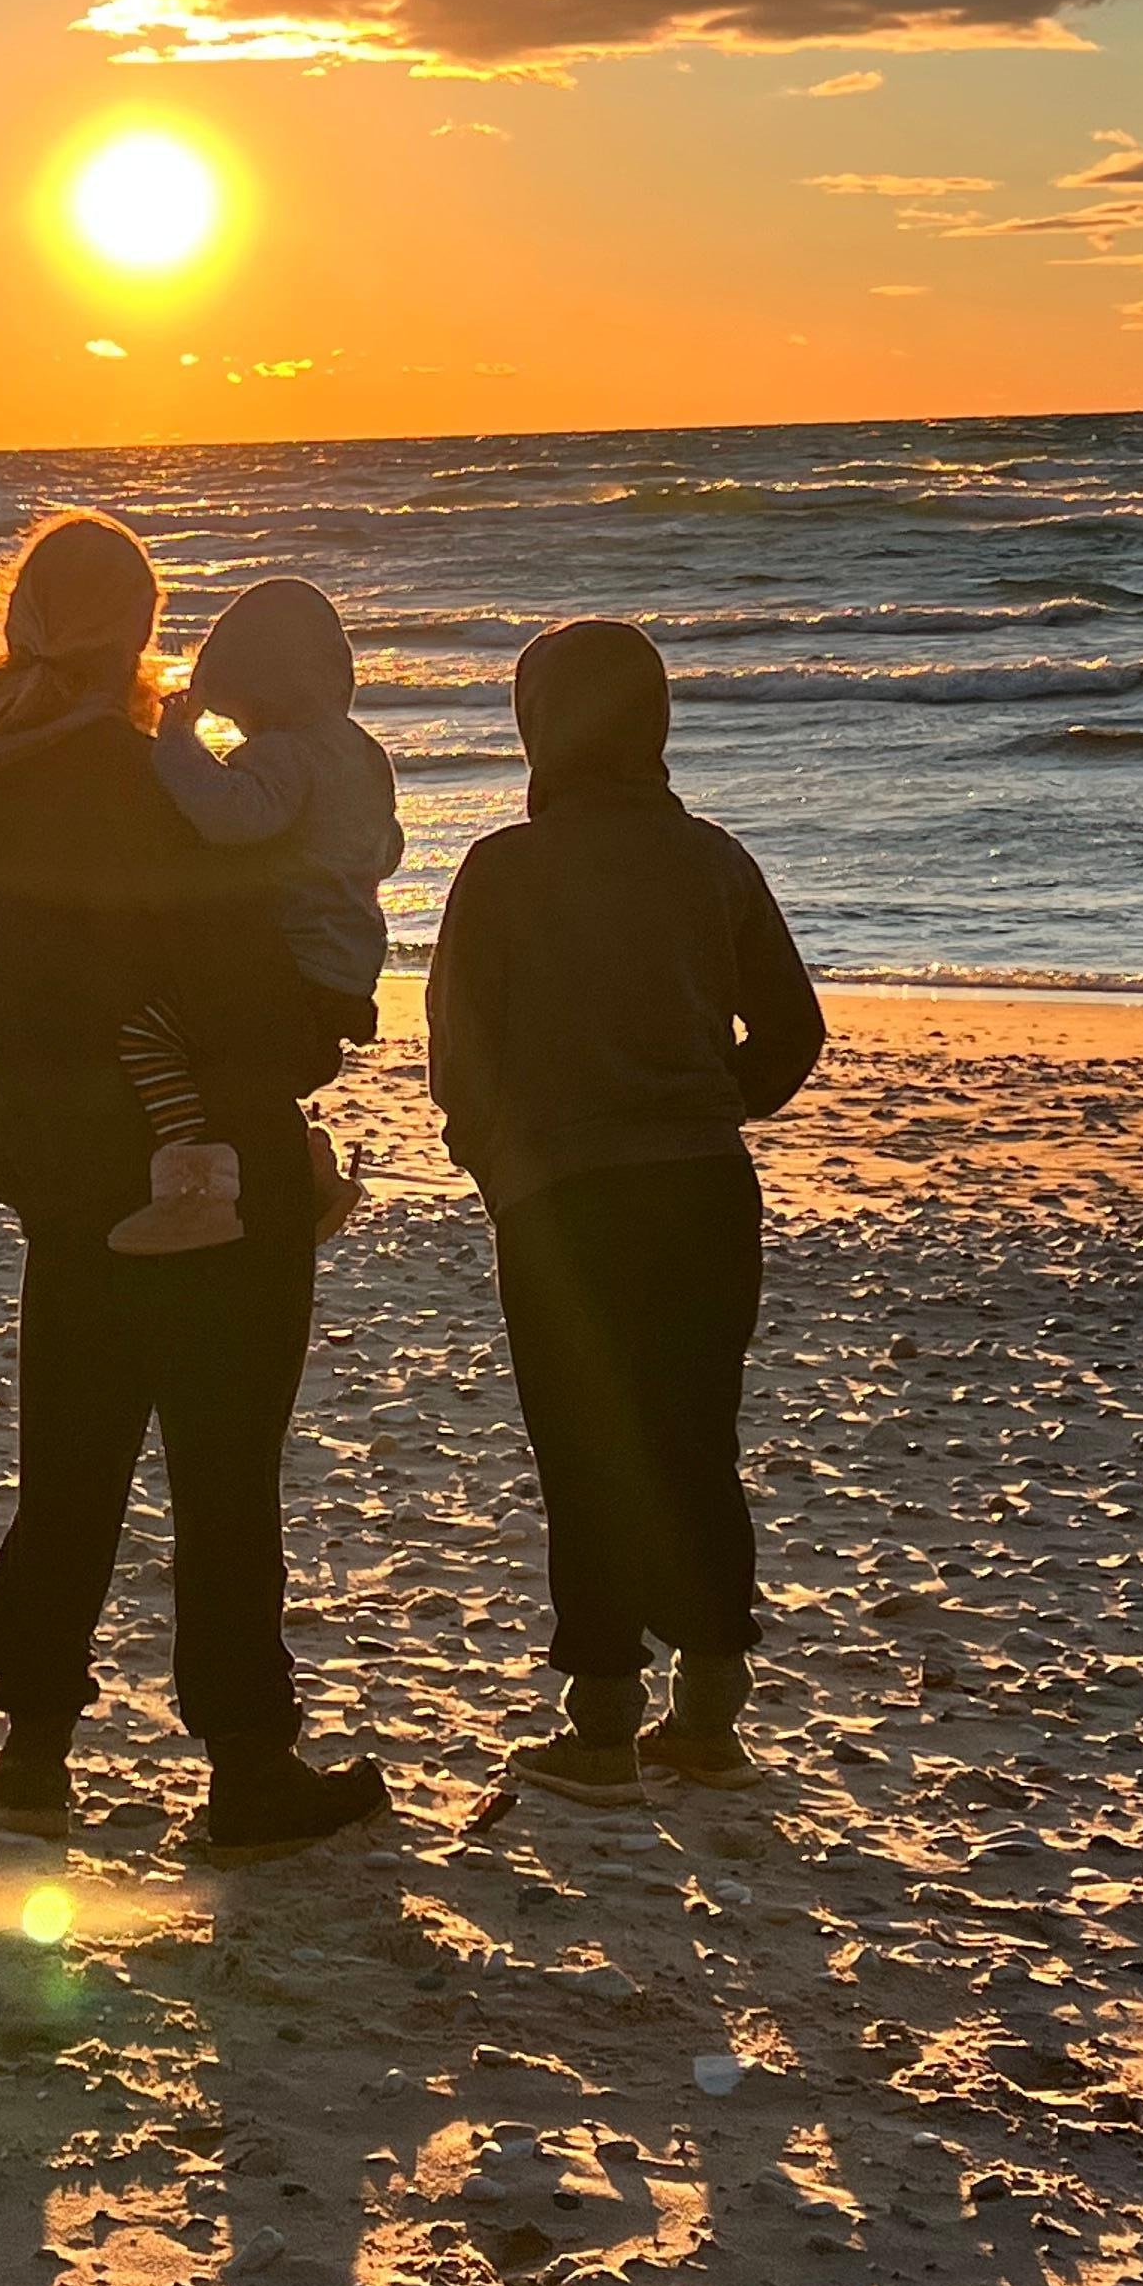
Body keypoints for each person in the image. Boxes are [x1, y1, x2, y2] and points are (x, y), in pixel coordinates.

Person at [0, 508, 391, 1860]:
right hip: (220, 1172)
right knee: (225, 1472)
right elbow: (238, 993)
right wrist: (319, 1038)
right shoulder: (150, 791)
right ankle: (246, 1767)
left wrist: (26, 1168)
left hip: (67, 1186)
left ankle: (31, 1759)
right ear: (144, 628)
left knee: (70, 1468)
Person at [426, 618, 824, 1801]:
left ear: (538, 726)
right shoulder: (712, 859)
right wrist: (711, 1107)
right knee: (696, 1437)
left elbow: (459, 1053)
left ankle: (602, 1717)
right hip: (704, 1187)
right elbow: (794, 1032)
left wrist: (498, 1163)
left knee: (585, 1447)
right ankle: (710, 1707)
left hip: (563, 1196)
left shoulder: (502, 869)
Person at [111, 573, 404, 1258]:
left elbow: (230, 817)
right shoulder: (364, 753)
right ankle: (309, 1171)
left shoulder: (285, 752)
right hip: (350, 967)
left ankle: (196, 1189)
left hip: (292, 963)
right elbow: (387, 848)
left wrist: (177, 742)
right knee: (248, 1078)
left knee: (153, 1035)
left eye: (238, 713)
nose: (239, 730)